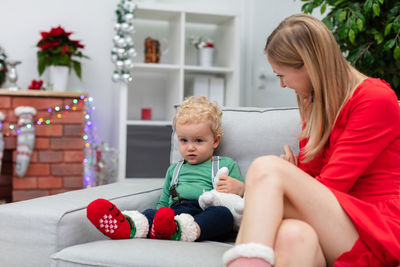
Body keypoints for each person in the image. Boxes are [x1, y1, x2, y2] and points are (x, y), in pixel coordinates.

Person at [223, 14, 400, 267]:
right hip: (336, 225)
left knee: (267, 168)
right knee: (292, 235)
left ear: (308, 65)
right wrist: (294, 178)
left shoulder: (375, 98)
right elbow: (313, 179)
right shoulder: (316, 104)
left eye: (281, 75)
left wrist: (279, 184)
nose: (283, 85)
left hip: (374, 229)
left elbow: (332, 186)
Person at [87, 95, 244, 242]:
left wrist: (240, 188)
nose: (190, 147)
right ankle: (130, 226)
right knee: (151, 213)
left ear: (215, 141)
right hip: (174, 213)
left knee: (222, 215)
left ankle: (183, 231)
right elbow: (163, 201)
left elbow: (241, 202)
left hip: (204, 213)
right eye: (183, 140)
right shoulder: (174, 169)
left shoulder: (225, 164)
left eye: (198, 140)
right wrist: (159, 216)